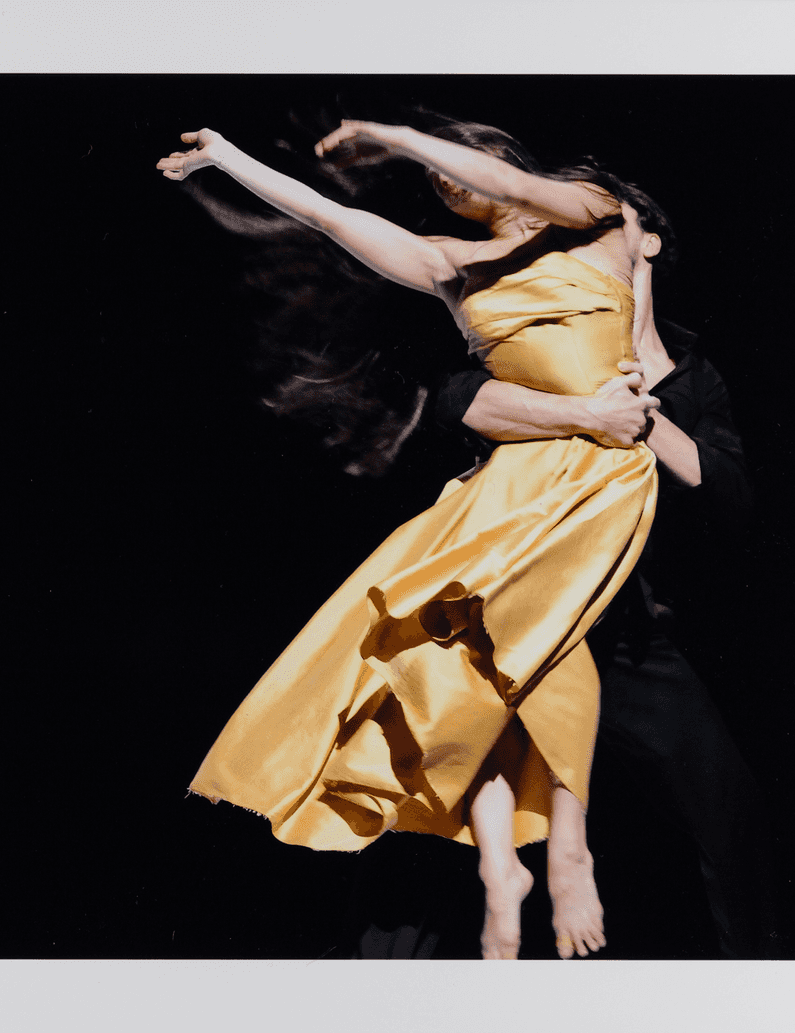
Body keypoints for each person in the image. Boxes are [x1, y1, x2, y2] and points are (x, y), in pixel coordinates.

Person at [159, 117, 659, 959]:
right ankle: (504, 866)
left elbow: (529, 194)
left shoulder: (594, 219)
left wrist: (398, 139)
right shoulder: (449, 266)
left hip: (599, 472)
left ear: (502, 160)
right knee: (463, 666)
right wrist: (224, 158)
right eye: (438, 186)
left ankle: (568, 846)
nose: (450, 188)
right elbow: (325, 217)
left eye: (460, 170)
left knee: (548, 632)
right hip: (507, 480)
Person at [428, 184, 779, 958]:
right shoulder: (551, 341)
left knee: (732, 816)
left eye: (602, 220)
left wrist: (639, 414)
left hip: (634, 639)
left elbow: (731, 496)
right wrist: (583, 407)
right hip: (535, 613)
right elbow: (461, 399)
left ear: (646, 241)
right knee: (437, 786)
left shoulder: (694, 375)